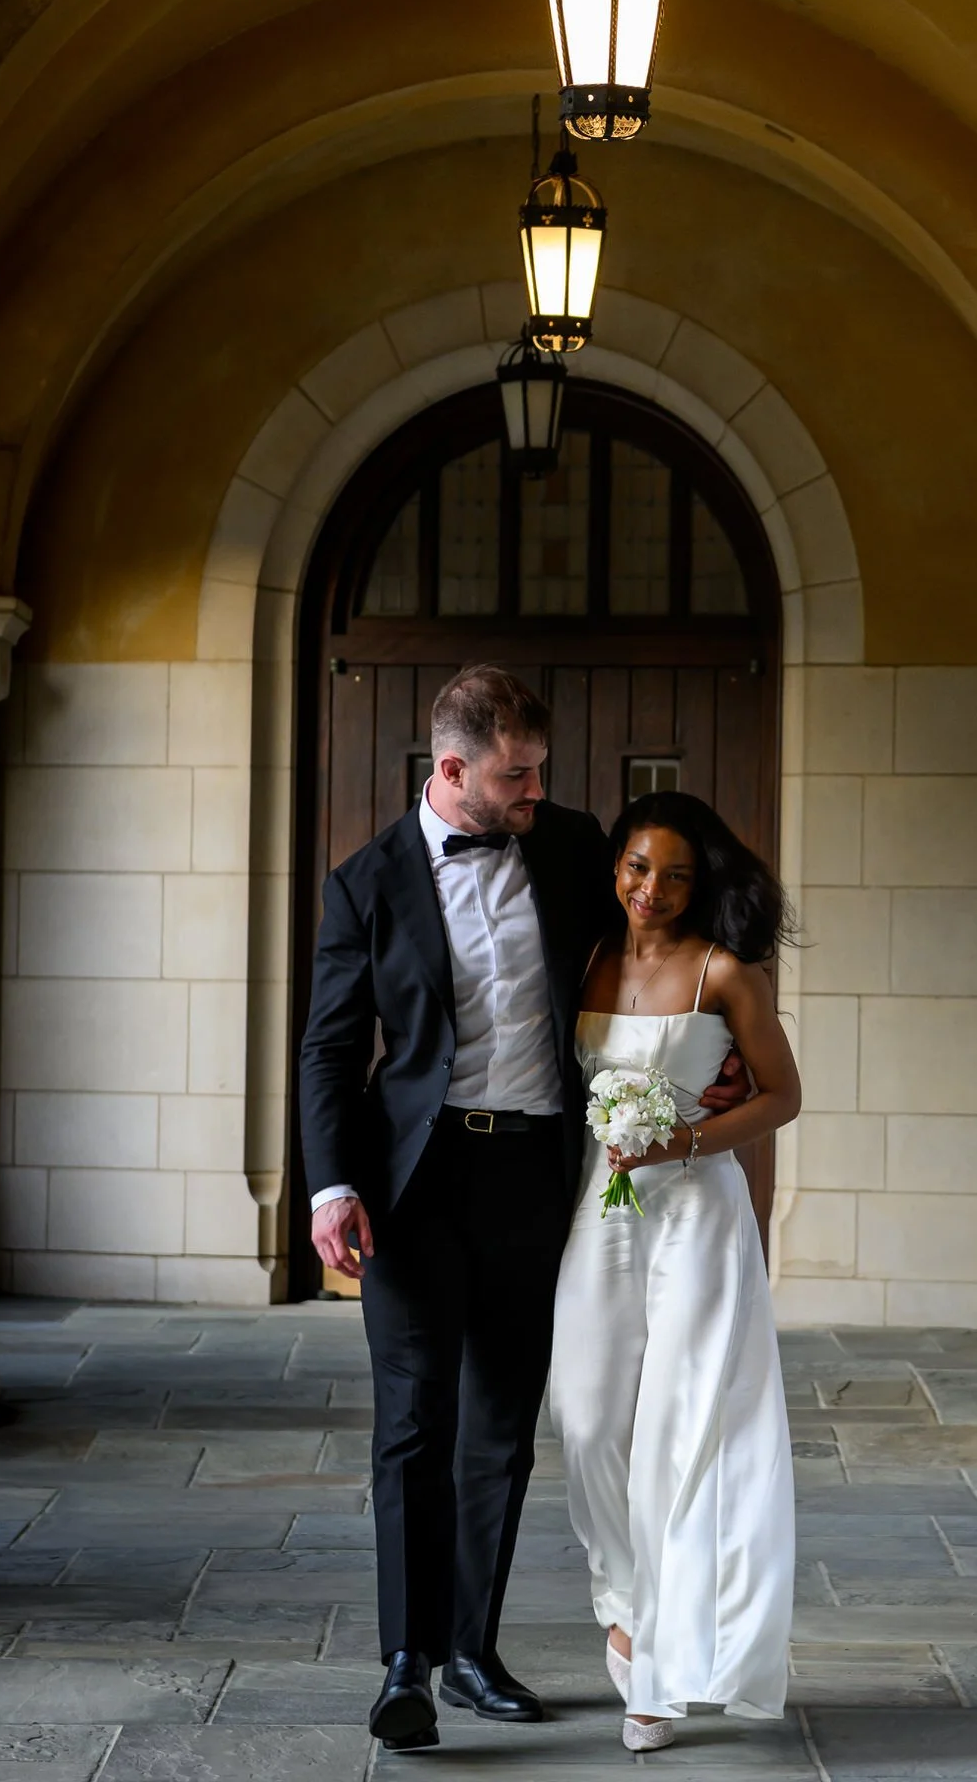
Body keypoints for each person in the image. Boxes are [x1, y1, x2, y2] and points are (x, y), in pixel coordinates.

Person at [297, 668, 744, 1751]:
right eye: (516, 773)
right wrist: (330, 1183)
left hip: (538, 1182)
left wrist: (711, 1056)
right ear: (452, 771)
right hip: (413, 1181)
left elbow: (659, 942)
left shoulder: (568, 844)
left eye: (540, 769)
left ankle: (470, 1652)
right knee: (414, 1422)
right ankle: (406, 1658)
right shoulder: (366, 882)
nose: (537, 788)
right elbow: (330, 1045)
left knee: (500, 1427)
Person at [550, 790, 802, 1754]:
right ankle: (622, 1603)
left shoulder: (725, 974)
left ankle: (659, 1663)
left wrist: (684, 1141)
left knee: (681, 1428)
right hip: (597, 1212)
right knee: (586, 1414)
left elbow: (782, 1096)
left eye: (676, 875)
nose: (651, 889)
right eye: (637, 867)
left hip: (697, 1217)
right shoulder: (584, 957)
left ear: (703, 886)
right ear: (615, 866)